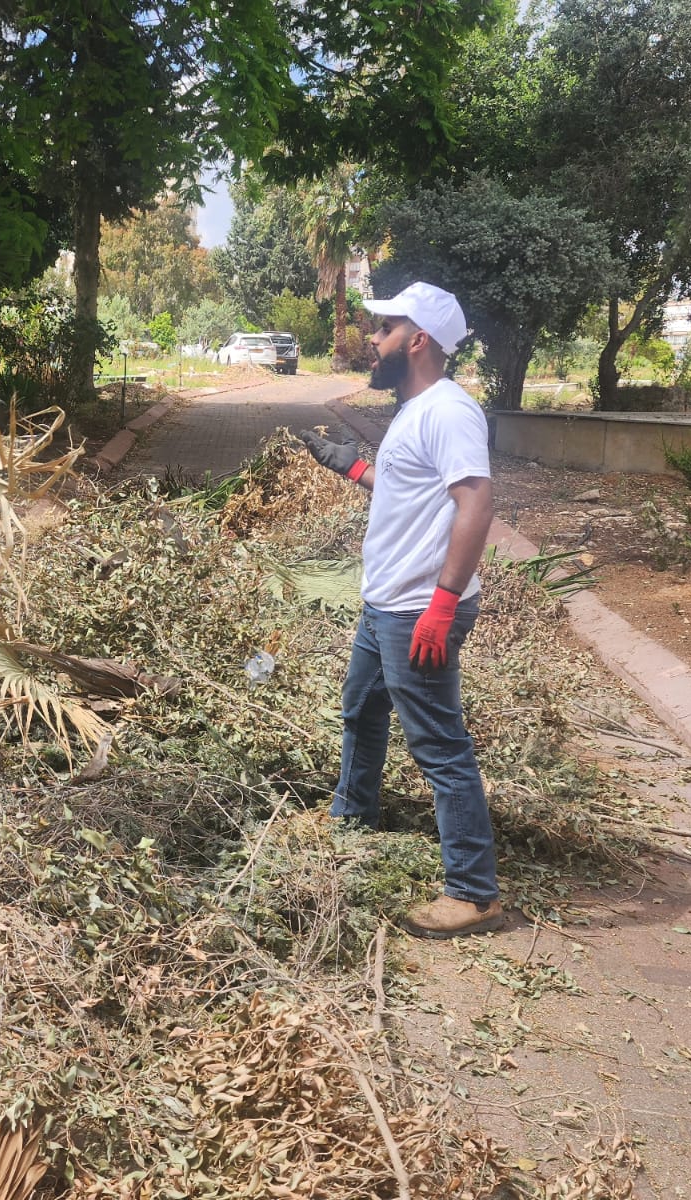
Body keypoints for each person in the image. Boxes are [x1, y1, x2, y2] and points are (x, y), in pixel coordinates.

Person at [297, 281, 503, 938]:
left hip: (418, 611)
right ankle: (352, 812)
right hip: (385, 602)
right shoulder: (415, 409)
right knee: (361, 707)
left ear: (417, 340)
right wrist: (353, 468)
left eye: (383, 329)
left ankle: (473, 892)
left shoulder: (449, 411)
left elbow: (477, 504)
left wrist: (442, 608)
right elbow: (413, 489)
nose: (371, 339)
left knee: (440, 746)